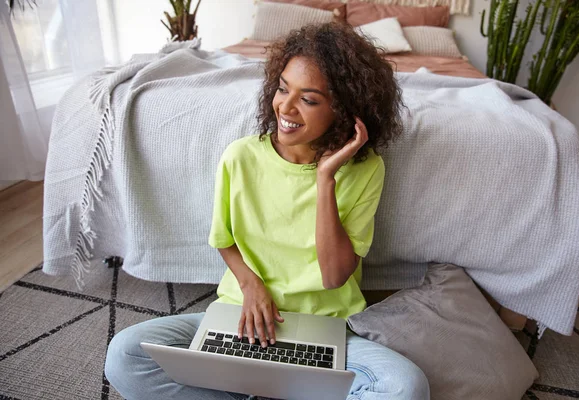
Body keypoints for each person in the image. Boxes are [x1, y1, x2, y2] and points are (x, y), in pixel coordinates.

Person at [104, 22, 430, 400]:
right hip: (241, 318)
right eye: (282, 88)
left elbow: (334, 276)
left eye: (309, 99)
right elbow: (224, 241)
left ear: (344, 110)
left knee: (405, 388)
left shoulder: (365, 169)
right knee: (126, 354)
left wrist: (325, 179)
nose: (286, 108)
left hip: (324, 327)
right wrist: (250, 285)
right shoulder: (240, 156)